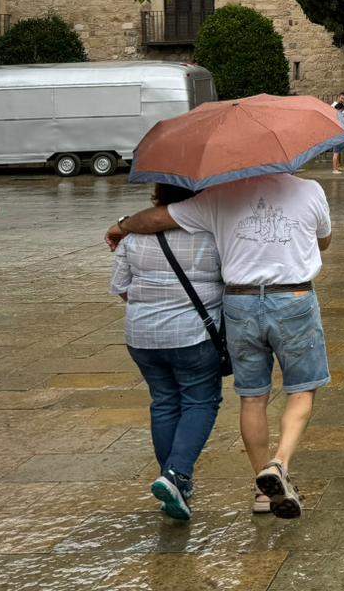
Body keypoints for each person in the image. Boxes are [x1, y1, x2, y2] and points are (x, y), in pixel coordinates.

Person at [107, 170, 333, 520]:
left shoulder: (219, 197)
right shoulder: (310, 189)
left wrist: (123, 224)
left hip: (239, 302)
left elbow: (156, 218)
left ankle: (262, 492)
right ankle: (279, 464)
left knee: (253, 396)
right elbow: (324, 240)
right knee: (302, 389)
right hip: (293, 297)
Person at [109, 185, 224, 522]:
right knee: (200, 402)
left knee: (164, 403)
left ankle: (173, 481)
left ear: (157, 198)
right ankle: (176, 475)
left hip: (142, 337)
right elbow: (230, 278)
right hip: (193, 336)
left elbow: (121, 288)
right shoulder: (210, 235)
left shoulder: (131, 239)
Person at [330, 93, 344, 174]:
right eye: (341, 98)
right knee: (336, 151)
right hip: (336, 131)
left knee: (339, 150)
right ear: (338, 97)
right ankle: (335, 167)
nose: (342, 100)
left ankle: (338, 165)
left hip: (341, 131)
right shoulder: (334, 105)